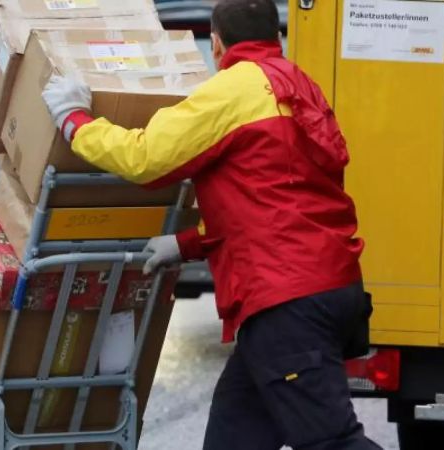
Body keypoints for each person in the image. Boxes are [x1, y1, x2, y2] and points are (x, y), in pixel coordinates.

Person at [41, 0, 380, 448]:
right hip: (327, 286)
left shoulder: (230, 92)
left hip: (286, 302)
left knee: (331, 441)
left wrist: (74, 121)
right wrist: (186, 244)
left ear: (216, 44)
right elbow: (278, 202)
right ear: (274, 37)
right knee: (233, 439)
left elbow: (145, 159)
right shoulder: (299, 85)